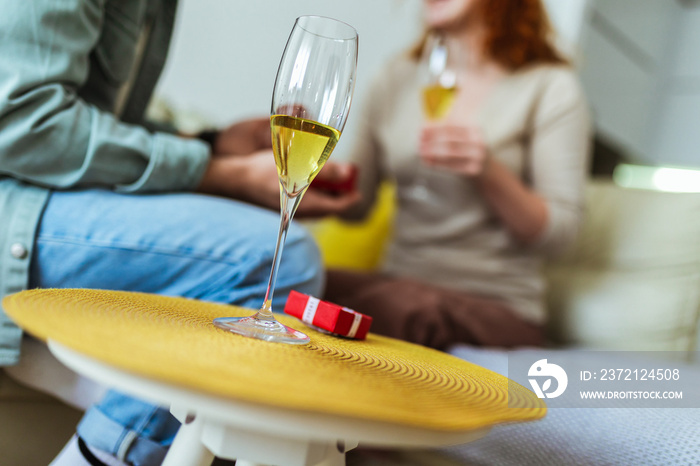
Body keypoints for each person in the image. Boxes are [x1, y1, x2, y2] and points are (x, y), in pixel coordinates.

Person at [0, 1, 357, 465]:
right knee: (279, 258)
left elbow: (93, 121)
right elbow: (22, 123)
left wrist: (211, 143)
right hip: (16, 207)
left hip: (49, 201)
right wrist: (221, 173)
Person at [324, 0, 591, 351]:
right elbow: (358, 206)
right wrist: (311, 167)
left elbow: (559, 234)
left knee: (401, 309)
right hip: (398, 284)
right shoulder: (396, 77)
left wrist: (488, 172)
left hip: (497, 306)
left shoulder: (550, 87)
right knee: (294, 275)